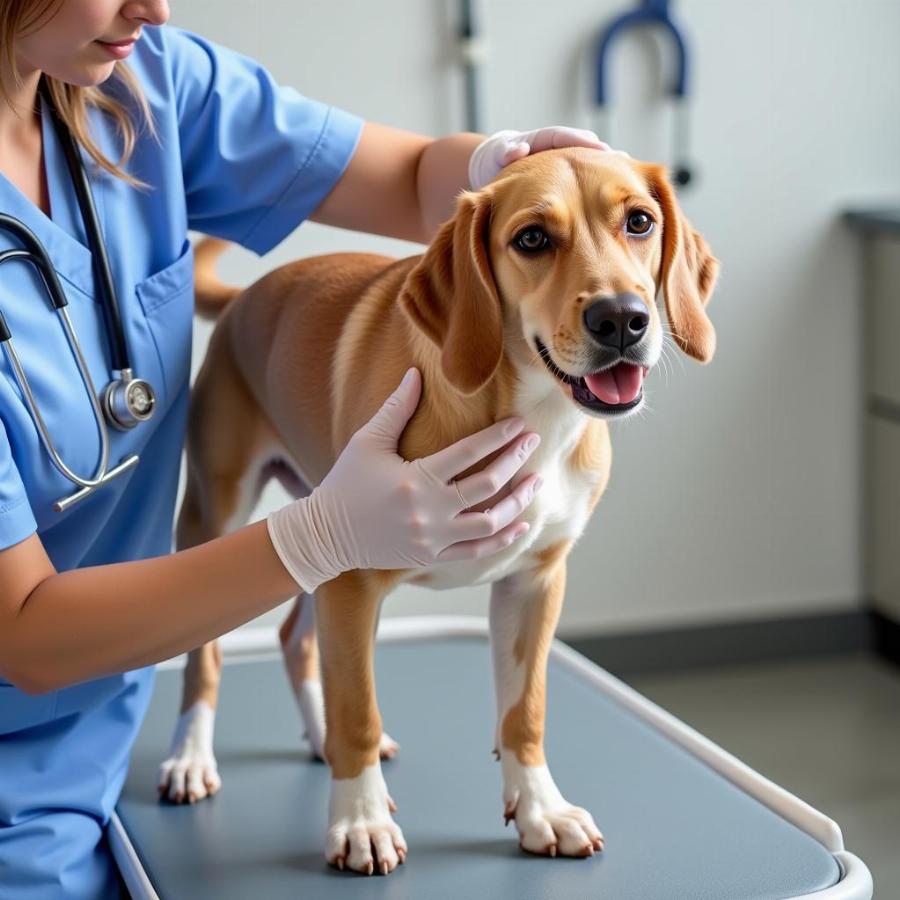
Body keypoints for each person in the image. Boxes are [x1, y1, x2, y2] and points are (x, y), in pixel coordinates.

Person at [0, 1, 613, 896]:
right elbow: (24, 639)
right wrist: (314, 540)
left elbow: (409, 180)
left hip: (106, 736)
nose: (157, 6)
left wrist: (499, 166)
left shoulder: (146, 79)